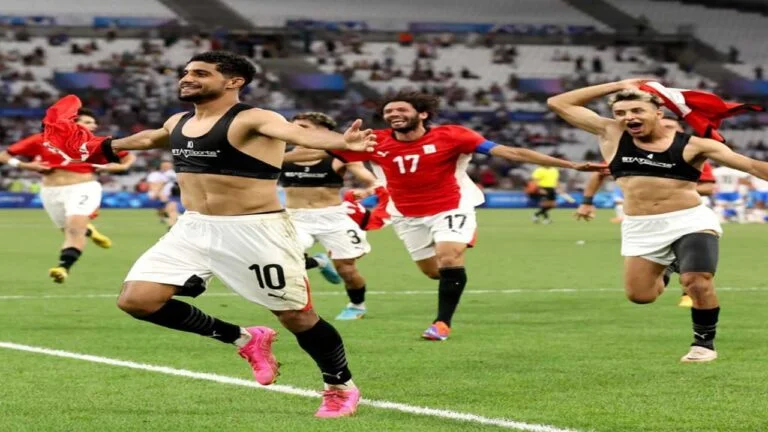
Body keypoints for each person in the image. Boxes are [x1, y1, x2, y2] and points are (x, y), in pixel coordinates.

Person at [78, 51, 376, 417]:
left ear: (234, 82)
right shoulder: (179, 120)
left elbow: (296, 133)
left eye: (201, 73)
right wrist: (101, 146)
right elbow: (151, 138)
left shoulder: (254, 117)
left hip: (255, 230)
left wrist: (343, 143)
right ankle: (245, 338)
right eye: (187, 72)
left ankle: (340, 386)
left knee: (297, 317)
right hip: (193, 226)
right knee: (137, 301)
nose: (188, 78)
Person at [290, 90, 603, 341]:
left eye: (401, 109)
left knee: (449, 256)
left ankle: (441, 323)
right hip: (407, 214)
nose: (394, 114)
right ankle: (454, 273)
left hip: (451, 206)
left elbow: (512, 152)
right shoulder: (375, 141)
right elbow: (318, 149)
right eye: (389, 111)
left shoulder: (453, 136)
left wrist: (570, 165)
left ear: (422, 114)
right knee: (433, 272)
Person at [549, 79, 768, 362]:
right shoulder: (611, 134)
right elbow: (558, 103)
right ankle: (671, 264)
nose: (628, 117)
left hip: (689, 222)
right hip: (641, 227)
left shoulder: (695, 146)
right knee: (641, 296)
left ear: (658, 113)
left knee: (696, 281)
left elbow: (751, 166)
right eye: (620, 113)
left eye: (637, 110)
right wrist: (619, 84)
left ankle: (703, 344)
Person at [575, 118, 716, 308]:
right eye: (662, 125)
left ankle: (695, 305)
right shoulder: (630, 151)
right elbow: (599, 172)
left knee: (696, 279)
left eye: (670, 126)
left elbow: (709, 187)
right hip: (645, 219)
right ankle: (668, 267)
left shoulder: (692, 151)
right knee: (640, 295)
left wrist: (673, 186)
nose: (665, 129)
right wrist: (586, 202)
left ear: (681, 130)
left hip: (687, 217)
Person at [0, 107, 135, 283]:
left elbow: (127, 157)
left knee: (74, 230)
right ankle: (89, 230)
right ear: (72, 124)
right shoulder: (41, 140)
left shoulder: (96, 142)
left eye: (94, 123)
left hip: (83, 187)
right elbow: (4, 156)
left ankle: (63, 267)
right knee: (68, 229)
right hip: (50, 191)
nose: (93, 126)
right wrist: (25, 166)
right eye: (87, 122)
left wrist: (120, 167)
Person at [281, 112, 378, 320]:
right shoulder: (279, 155)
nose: (294, 131)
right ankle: (319, 262)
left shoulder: (339, 156)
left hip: (333, 218)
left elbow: (371, 180)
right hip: (295, 218)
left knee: (347, 270)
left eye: (303, 127)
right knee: (283, 259)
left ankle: (357, 305)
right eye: (293, 126)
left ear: (322, 131)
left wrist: (368, 190)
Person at [146, 160, 182, 228]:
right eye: (165, 165)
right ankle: (171, 222)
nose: (167, 167)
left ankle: (172, 224)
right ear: (161, 166)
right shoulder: (156, 174)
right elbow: (155, 184)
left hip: (173, 195)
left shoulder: (173, 173)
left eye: (168, 165)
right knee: (166, 209)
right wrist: (157, 193)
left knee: (171, 209)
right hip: (162, 195)